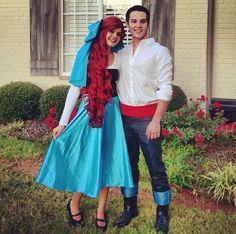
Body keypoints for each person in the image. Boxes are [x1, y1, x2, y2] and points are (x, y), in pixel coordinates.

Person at [35, 16, 134, 232]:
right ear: (102, 31)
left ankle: (100, 210)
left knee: (107, 160)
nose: (115, 36)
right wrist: (63, 123)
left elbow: (125, 87)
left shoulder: (119, 57)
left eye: (118, 34)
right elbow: (74, 88)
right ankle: (74, 203)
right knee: (86, 159)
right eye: (111, 32)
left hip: (113, 114)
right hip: (90, 110)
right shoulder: (87, 54)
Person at [111, 5, 173, 233]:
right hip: (123, 119)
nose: (138, 25)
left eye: (142, 21)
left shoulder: (159, 52)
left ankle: (162, 212)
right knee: (128, 166)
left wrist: (156, 120)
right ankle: (129, 207)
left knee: (156, 167)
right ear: (127, 24)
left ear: (148, 23)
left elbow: (166, 88)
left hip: (148, 118)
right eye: (133, 21)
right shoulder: (122, 54)